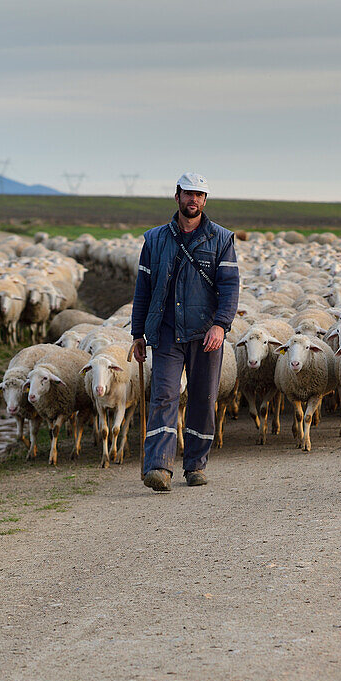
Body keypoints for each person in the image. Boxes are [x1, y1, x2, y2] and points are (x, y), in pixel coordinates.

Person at [130, 172, 240, 491]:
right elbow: (143, 290)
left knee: (203, 399)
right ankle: (159, 467)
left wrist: (221, 325)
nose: (194, 200)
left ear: (205, 201)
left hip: (206, 334)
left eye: (200, 195)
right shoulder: (154, 240)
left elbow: (230, 286)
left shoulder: (221, 239)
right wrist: (138, 333)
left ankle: (195, 465)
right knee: (164, 395)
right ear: (176, 196)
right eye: (188, 193)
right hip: (165, 332)